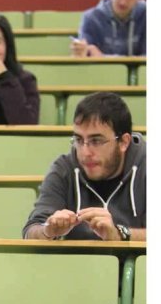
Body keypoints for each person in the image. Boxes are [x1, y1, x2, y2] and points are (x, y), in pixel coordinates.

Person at [23, 93, 146, 241]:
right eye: (79, 140)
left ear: (123, 142)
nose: (85, 152)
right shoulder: (64, 169)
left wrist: (119, 235)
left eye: (96, 141)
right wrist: (48, 231)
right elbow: (31, 231)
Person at [70, 0, 146, 58]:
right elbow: (88, 59)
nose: (123, 2)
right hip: (101, 73)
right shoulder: (91, 18)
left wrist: (103, 57)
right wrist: (81, 54)